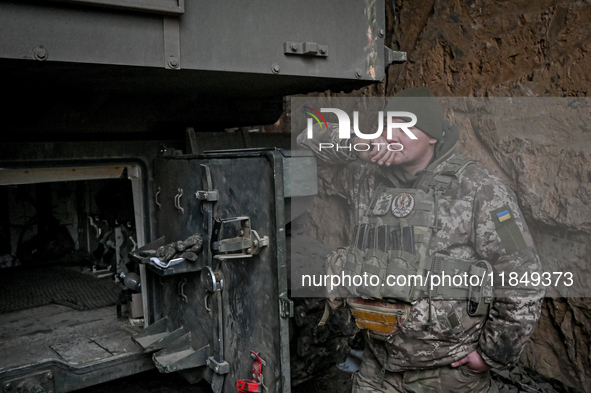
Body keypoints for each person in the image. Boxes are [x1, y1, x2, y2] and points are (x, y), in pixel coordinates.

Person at [297, 87, 545, 393]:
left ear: (432, 135)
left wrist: (492, 355)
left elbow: (523, 275)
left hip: (447, 375)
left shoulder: (481, 190)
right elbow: (307, 139)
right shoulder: (364, 176)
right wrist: (355, 145)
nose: (392, 134)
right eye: (387, 125)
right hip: (376, 368)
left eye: (405, 125)